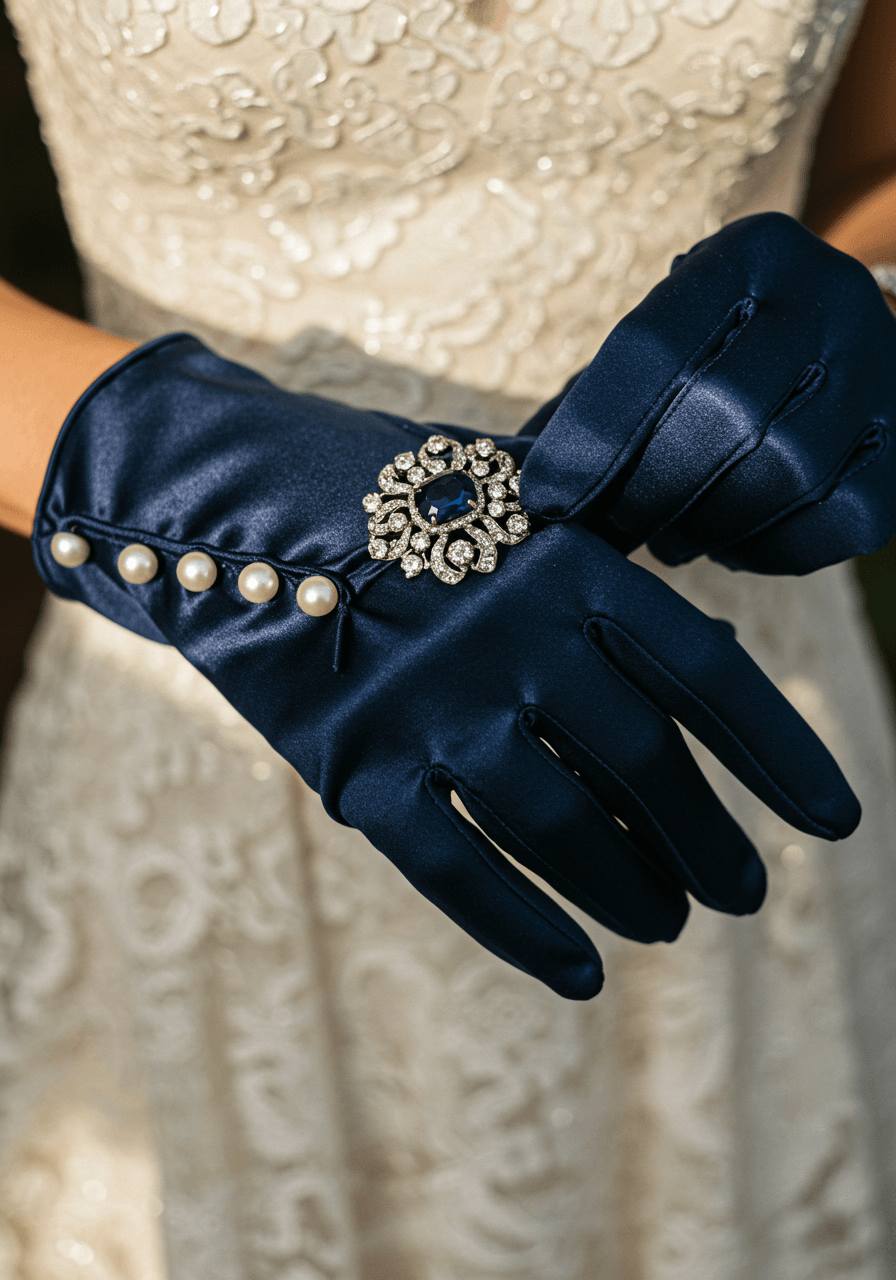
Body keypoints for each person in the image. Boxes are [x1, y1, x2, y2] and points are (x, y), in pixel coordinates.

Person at [0, 0, 894, 1276]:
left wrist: (853, 315)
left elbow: (873, 166)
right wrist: (203, 488)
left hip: (712, 701)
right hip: (233, 725)